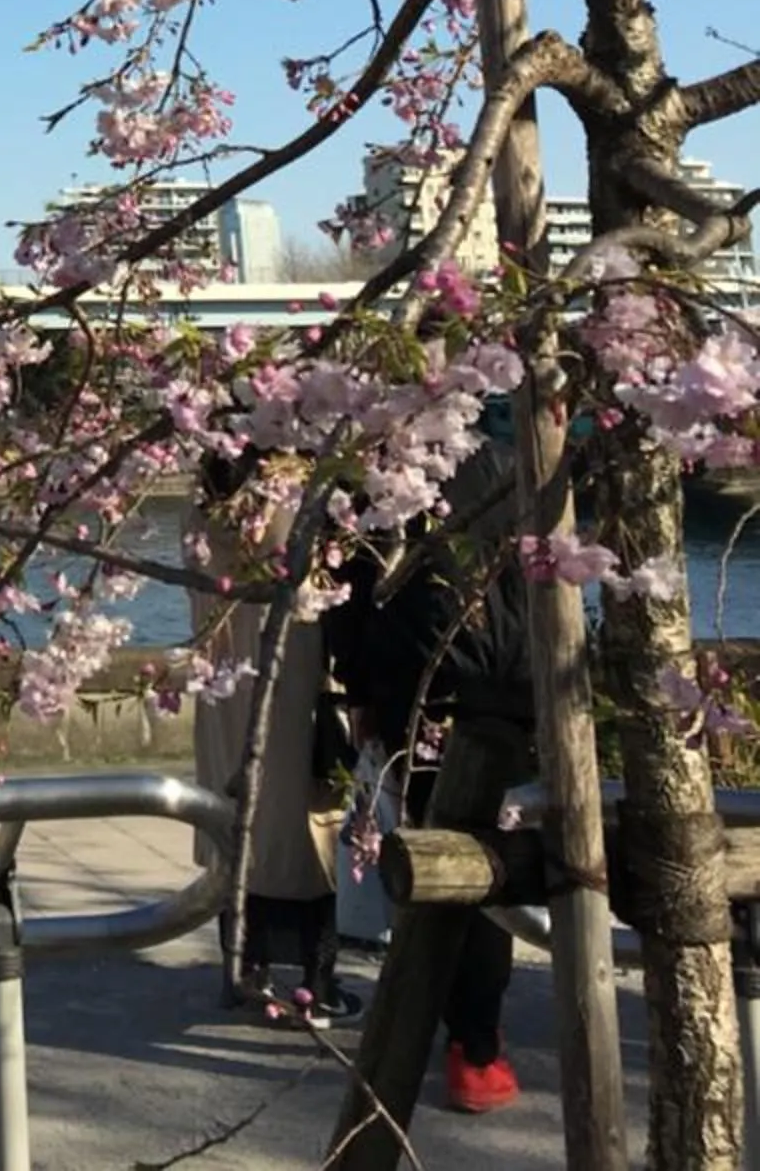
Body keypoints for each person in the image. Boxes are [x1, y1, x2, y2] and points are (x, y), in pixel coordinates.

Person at [325, 450, 531, 1117]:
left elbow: (351, 580)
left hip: (423, 684)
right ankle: (476, 1044)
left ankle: (461, 1039)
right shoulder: (495, 465)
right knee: (488, 857)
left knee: (449, 861)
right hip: (503, 677)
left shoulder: (378, 467)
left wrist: (356, 684)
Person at [188, 455, 352, 1018]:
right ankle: (313, 980)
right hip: (295, 687)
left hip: (225, 690)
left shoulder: (203, 502)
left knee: (238, 827)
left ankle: (245, 965)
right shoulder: (302, 498)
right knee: (305, 830)